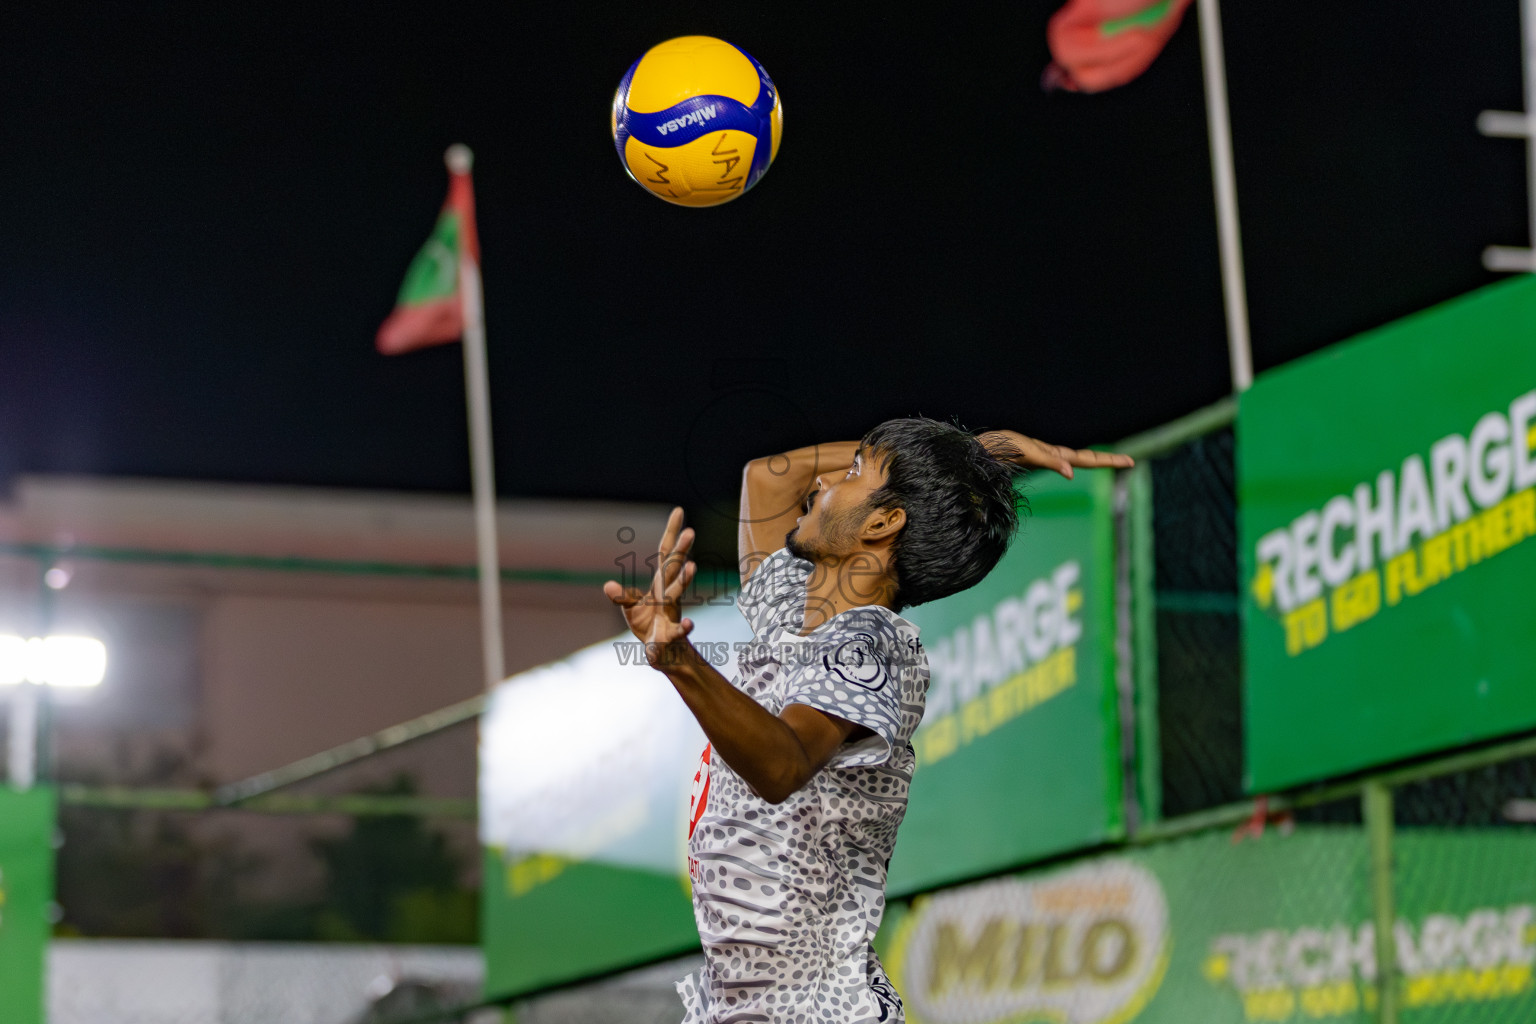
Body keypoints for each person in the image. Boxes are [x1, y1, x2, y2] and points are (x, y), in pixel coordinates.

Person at [603, 417, 1132, 1024]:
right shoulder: (796, 608)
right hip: (748, 1006)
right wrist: (966, 457)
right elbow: (770, 478)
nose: (826, 476)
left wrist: (681, 663)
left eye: (855, 473)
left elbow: (782, 766)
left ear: (883, 524)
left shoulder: (872, 646)